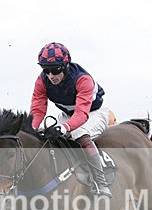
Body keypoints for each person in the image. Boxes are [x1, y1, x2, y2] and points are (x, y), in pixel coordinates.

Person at [30, 42, 113, 198]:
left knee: (80, 134)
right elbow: (37, 110)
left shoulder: (82, 79)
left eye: (54, 70)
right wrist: (31, 128)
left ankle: (101, 183)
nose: (50, 76)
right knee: (48, 135)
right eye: (46, 70)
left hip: (93, 113)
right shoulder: (42, 81)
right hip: (69, 115)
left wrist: (65, 127)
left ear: (65, 66)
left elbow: (82, 114)